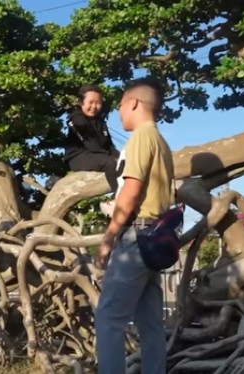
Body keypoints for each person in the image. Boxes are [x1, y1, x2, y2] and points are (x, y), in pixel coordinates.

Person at [94, 78, 174, 374]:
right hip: (157, 240)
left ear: (134, 103)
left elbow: (130, 191)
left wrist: (108, 238)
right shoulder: (161, 142)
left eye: (120, 105)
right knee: (150, 324)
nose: (118, 112)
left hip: (137, 239)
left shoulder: (141, 137)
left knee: (108, 318)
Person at [64, 85, 119, 215]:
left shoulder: (100, 122)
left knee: (123, 160)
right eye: (91, 102)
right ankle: (120, 200)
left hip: (99, 155)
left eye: (98, 103)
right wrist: (114, 158)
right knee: (110, 162)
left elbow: (109, 146)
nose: (94, 106)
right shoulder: (76, 119)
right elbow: (91, 145)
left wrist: (122, 156)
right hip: (78, 157)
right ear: (81, 102)